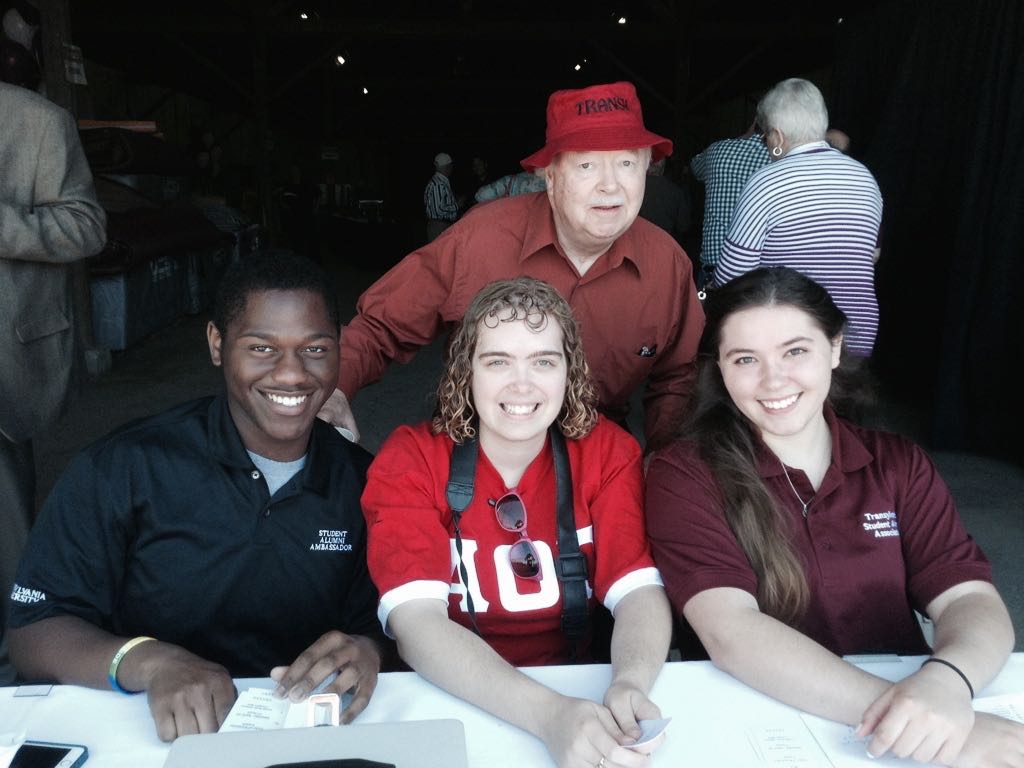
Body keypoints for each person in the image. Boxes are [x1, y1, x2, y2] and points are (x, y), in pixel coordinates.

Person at [646, 267, 1022, 766]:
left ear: (836, 348)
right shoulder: (684, 474)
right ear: (720, 369)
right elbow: (731, 630)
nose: (773, 379)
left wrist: (947, 681)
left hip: (908, 710)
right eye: (745, 359)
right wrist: (915, 719)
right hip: (757, 721)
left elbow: (970, 597)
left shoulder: (897, 463)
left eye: (795, 351)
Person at [6, 253, 385, 741]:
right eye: (262, 348)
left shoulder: (364, 483)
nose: (292, 374)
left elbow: (387, 622)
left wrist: (370, 650)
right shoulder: (125, 467)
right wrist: (150, 661)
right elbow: (34, 628)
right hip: (146, 730)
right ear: (217, 345)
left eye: (315, 349)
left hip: (303, 730)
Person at [362, 278, 672, 768]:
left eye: (544, 362)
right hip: (448, 695)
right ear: (465, 373)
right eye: (497, 361)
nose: (522, 385)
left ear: (570, 373)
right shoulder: (411, 458)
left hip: (580, 691)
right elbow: (416, 625)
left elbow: (638, 593)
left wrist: (629, 681)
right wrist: (550, 717)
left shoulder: (607, 452)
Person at [322, 81, 704, 453]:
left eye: (626, 163)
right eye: (587, 164)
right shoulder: (478, 238)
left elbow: (677, 377)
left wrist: (664, 467)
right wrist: (335, 390)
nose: (610, 185)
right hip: (475, 447)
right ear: (549, 176)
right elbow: (381, 325)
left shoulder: (667, 264)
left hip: (598, 459)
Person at [0, 81, 107, 685]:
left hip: (2, 366)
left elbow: (85, 226)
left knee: (7, 541)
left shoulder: (35, 121)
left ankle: (18, 675)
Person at [714, 78, 883, 357]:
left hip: (791, 337)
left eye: (765, 135)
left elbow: (734, 275)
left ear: (778, 137)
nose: (766, 143)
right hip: (857, 332)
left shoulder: (767, 181)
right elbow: (872, 255)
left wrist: (708, 291)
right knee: (837, 401)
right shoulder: (865, 178)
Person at [689, 120, 770, 289]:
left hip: (714, 268)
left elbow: (695, 167)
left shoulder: (717, 150)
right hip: (761, 276)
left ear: (754, 122)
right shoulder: (780, 159)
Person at [637, 156, 691, 246]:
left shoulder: (632, 188)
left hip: (635, 247)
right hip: (664, 246)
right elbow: (684, 226)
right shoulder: (676, 191)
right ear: (663, 168)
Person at [424, 151, 459, 242]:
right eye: (450, 166)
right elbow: (438, 210)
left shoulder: (439, 182)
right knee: (441, 255)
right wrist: (457, 205)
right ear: (447, 167)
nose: (452, 168)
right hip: (439, 226)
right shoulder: (438, 184)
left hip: (441, 225)